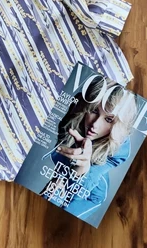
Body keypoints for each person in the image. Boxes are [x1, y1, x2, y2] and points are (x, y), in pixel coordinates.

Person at [40, 78, 138, 220]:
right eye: (94, 111)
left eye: (108, 119)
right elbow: (61, 150)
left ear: (117, 125)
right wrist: (60, 178)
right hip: (72, 171)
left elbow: (82, 188)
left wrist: (80, 169)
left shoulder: (120, 146)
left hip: (91, 194)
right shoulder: (74, 116)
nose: (94, 125)